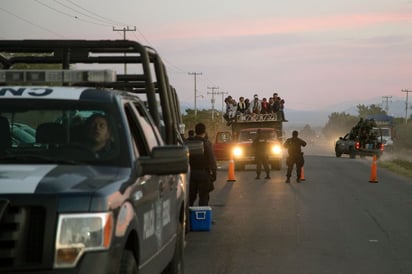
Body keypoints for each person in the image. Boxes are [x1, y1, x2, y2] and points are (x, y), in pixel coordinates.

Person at [188, 122, 217, 206]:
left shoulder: (188, 142)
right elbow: (212, 159)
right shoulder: (207, 143)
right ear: (204, 132)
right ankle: (202, 218)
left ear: (195, 131)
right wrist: (214, 173)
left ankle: (188, 217)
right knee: (204, 197)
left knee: (190, 197)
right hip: (203, 174)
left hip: (190, 173)